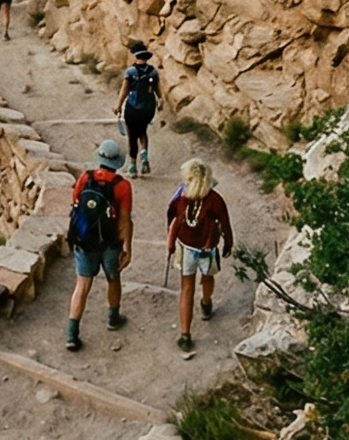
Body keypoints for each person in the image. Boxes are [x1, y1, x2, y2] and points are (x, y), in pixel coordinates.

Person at [65, 139, 136, 352]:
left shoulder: (85, 177)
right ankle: (113, 318)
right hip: (110, 243)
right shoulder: (123, 186)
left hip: (85, 241)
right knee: (113, 278)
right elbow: (125, 221)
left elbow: (76, 203)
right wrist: (127, 248)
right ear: (117, 162)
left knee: (82, 286)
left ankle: (71, 334)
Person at [166, 159, 236, 354]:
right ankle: (206, 303)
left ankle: (185, 335)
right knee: (208, 277)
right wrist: (228, 243)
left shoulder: (182, 199)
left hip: (186, 247)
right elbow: (225, 223)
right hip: (208, 248)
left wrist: (170, 245)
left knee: (186, 288)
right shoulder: (215, 199)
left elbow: (174, 221)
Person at [119, 43, 162, 176]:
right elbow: (157, 88)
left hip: (132, 108)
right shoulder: (153, 71)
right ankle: (144, 155)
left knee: (132, 134)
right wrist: (161, 99)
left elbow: (124, 89)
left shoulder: (130, 72)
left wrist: (118, 105)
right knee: (142, 131)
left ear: (136, 56)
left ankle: (132, 165)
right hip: (148, 108)